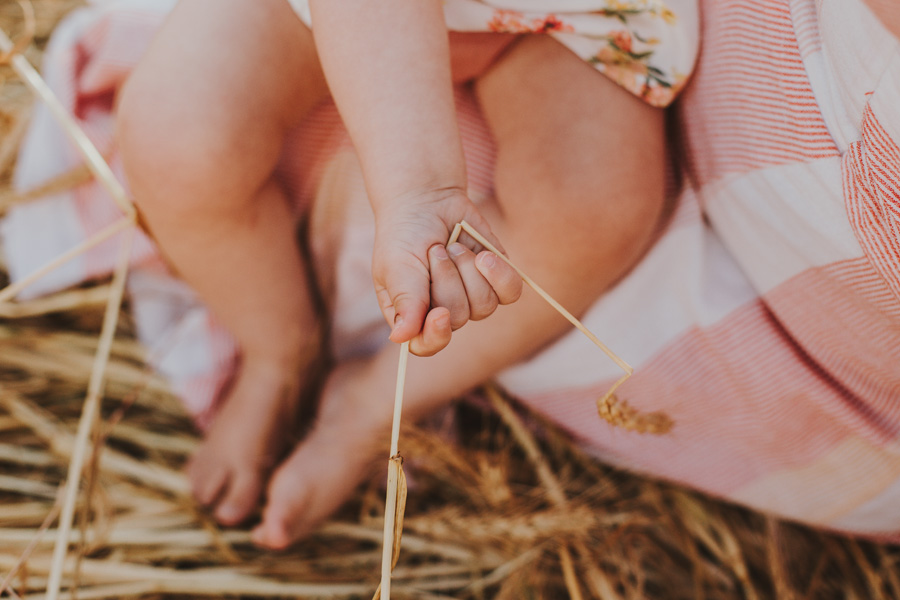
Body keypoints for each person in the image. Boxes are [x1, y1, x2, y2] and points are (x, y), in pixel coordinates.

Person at [115, 0, 697, 546]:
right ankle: (279, 350)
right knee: (175, 140)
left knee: (595, 210)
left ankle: (366, 409)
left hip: (564, 21)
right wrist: (419, 187)